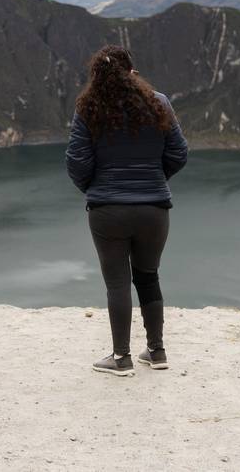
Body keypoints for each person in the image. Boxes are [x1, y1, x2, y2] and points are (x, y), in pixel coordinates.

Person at [66, 45, 188, 377]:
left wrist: (98, 189)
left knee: (117, 282)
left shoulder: (89, 107)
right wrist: (153, 180)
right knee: (148, 276)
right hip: (154, 209)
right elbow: (179, 153)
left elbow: (77, 162)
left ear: (97, 78)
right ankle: (157, 351)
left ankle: (121, 358)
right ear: (132, 72)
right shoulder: (158, 102)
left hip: (107, 211)